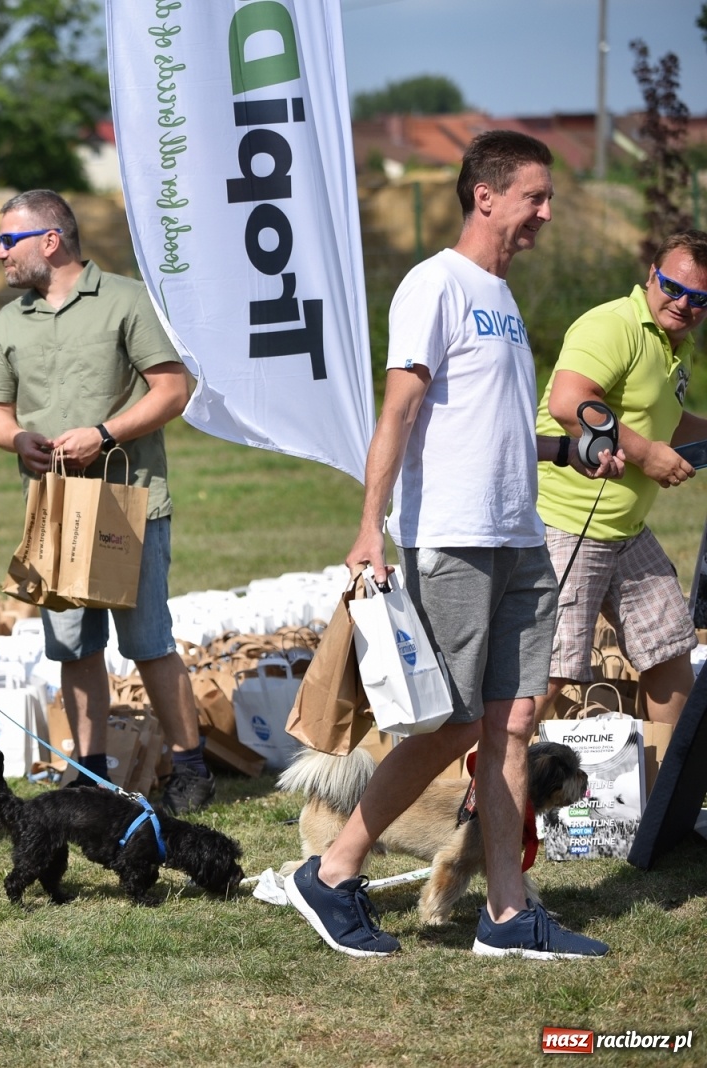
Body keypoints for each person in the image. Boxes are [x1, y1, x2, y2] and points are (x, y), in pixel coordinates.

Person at [285, 131, 618, 959]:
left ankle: (507, 917)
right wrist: (370, 525)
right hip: (454, 541)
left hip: (519, 538)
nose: (545, 211)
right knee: (448, 728)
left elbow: (490, 428)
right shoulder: (433, 284)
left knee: (512, 726)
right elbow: (399, 412)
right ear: (486, 196)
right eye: (535, 196)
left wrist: (565, 450)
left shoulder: (501, 298)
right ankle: (332, 872)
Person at [0, 190, 213, 812]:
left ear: (50, 241)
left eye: (8, 241)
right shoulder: (9, 321)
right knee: (74, 646)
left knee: (148, 641)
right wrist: (17, 439)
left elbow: (172, 391)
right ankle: (89, 770)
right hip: (53, 510)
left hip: (128, 502)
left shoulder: (127, 300)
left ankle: (190, 769)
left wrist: (104, 435)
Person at [533, 229, 707, 727]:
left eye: (699, 299)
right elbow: (569, 401)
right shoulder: (615, 325)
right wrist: (646, 454)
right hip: (569, 523)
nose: (683, 304)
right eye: (673, 288)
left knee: (670, 650)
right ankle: (483, 794)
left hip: (625, 533)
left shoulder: (678, 344)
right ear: (651, 276)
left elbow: (667, 423)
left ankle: (667, 794)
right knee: (552, 674)